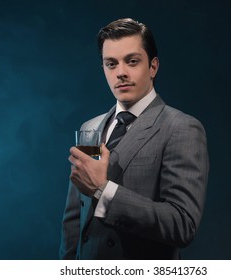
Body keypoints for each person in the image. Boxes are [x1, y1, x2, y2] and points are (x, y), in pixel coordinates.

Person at [59, 18, 209, 260]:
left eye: (132, 61)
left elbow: (183, 225)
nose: (121, 73)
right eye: (111, 64)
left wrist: (103, 189)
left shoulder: (181, 128)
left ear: (153, 66)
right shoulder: (90, 128)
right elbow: (74, 218)